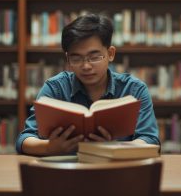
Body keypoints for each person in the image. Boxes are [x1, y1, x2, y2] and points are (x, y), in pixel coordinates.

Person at [16, 13, 160, 156]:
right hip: (66, 173)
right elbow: (25, 139)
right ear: (67, 58)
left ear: (110, 53)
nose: (86, 66)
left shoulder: (134, 90)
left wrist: (115, 147)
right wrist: (49, 147)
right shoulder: (56, 89)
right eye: (76, 58)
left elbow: (150, 140)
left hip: (115, 171)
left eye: (94, 57)